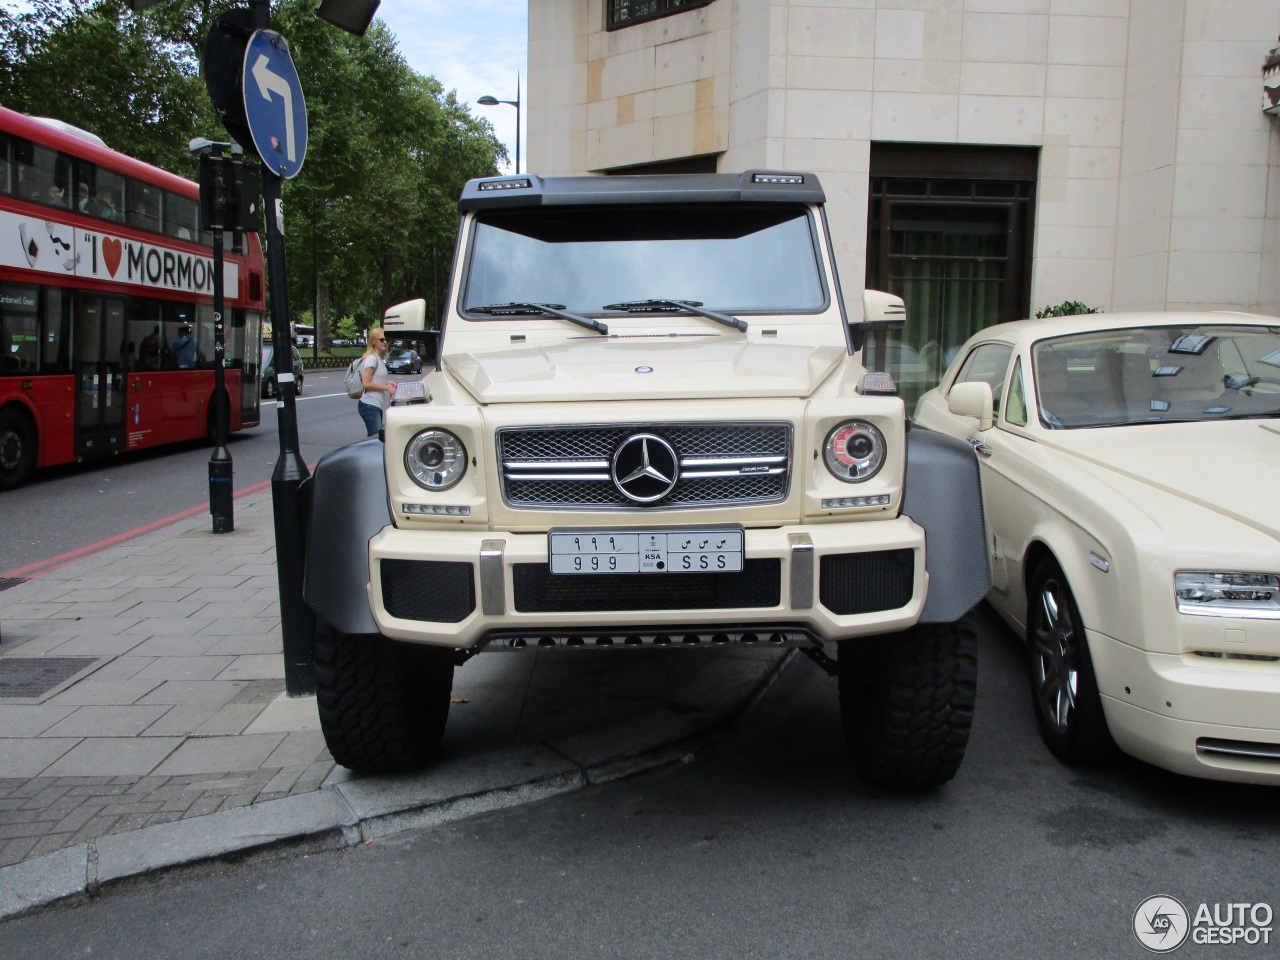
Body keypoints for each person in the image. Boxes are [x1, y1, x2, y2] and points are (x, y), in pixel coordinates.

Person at [357, 328, 396, 436]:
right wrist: (386, 388)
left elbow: (375, 378)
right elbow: (366, 383)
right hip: (369, 404)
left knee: (377, 438)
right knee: (375, 439)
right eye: (381, 340)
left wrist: (387, 382)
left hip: (375, 404)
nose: (385, 342)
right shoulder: (372, 359)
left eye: (387, 340)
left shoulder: (378, 358)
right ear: (373, 341)